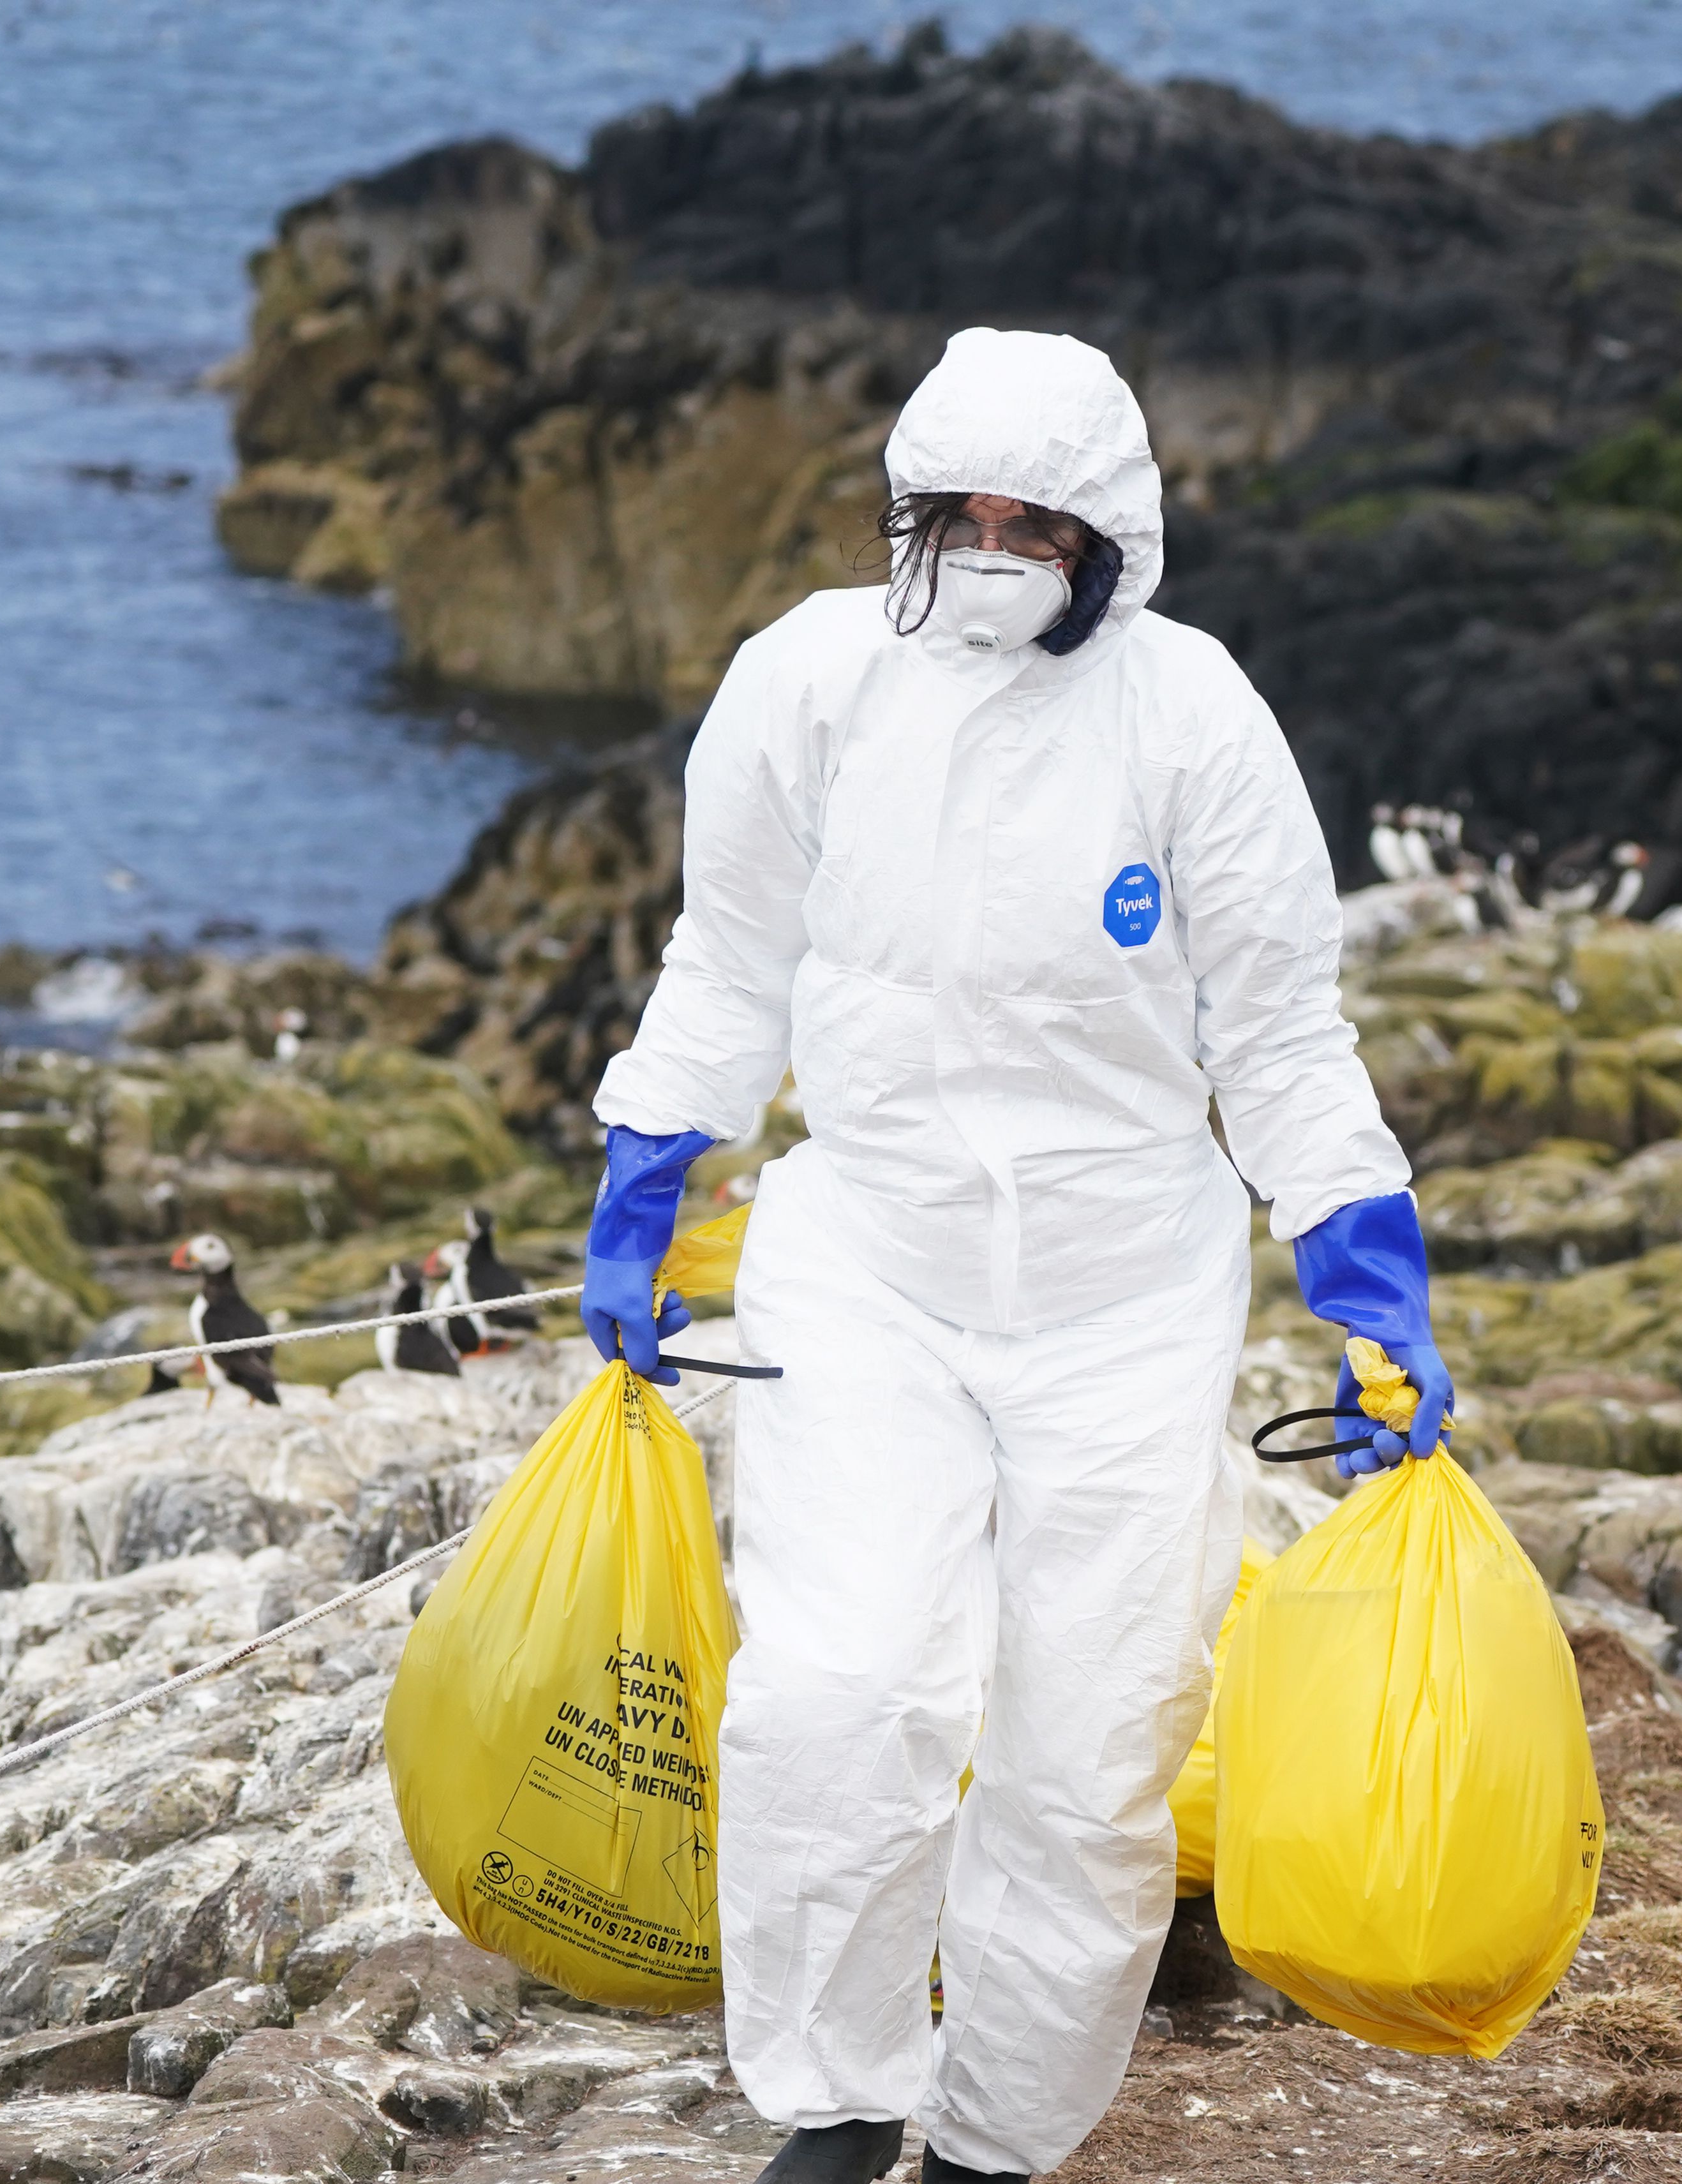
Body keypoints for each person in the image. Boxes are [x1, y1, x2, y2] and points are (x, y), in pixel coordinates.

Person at [577, 328, 1447, 2184]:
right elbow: (726, 964)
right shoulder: (808, 684)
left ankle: (993, 2149)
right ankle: (837, 2108)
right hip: (868, 1261)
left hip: (1125, 1301)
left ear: (1106, 533)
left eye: (1028, 518)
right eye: (951, 511)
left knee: (1085, 1759)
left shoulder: (1193, 716)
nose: (986, 545)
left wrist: (1371, 1290)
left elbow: (1285, 1042)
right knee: (835, 1699)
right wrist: (644, 1184)